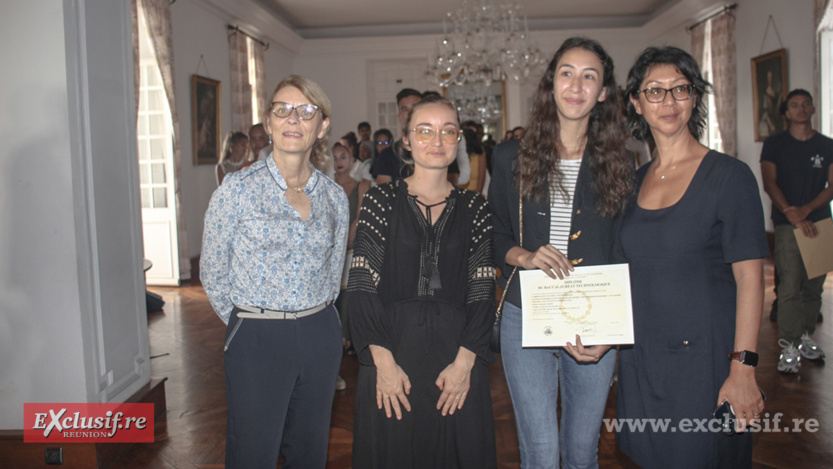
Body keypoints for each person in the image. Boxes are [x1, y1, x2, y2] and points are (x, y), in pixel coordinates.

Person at [617, 46, 768, 468]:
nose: (668, 102)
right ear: (636, 102)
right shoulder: (634, 181)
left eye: (680, 89)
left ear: (696, 97)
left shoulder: (728, 176)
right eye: (655, 91)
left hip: (704, 361)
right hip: (642, 359)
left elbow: (751, 279)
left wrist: (743, 370)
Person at [489, 37, 633, 468]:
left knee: (581, 448)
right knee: (540, 450)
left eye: (590, 76)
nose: (576, 85)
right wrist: (524, 256)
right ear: (551, 83)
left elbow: (626, 247)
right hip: (525, 312)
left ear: (603, 92)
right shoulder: (510, 156)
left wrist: (614, 330)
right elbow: (493, 232)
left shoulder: (622, 160)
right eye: (567, 73)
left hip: (595, 317)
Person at [201, 75, 348, 469]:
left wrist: (318, 323)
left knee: (309, 449)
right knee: (253, 451)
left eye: (306, 111)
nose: (293, 119)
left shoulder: (334, 197)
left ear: (323, 125)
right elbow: (213, 273)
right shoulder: (236, 190)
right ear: (268, 123)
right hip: (257, 336)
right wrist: (246, 325)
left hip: (319, 334)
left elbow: (335, 274)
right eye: (282, 110)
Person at [348, 95, 497, 468]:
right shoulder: (380, 200)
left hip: (457, 358)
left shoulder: (476, 207)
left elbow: (481, 290)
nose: (437, 141)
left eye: (448, 131)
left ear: (458, 139)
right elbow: (362, 283)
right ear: (407, 140)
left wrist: (465, 364)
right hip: (391, 353)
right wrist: (383, 365)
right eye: (425, 131)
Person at [761, 89, 833, 373]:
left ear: (813, 109)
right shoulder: (775, 144)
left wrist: (807, 210)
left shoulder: (827, 145)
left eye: (806, 104)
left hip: (819, 222)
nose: (801, 109)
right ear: (786, 113)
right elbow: (769, 182)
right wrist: (792, 212)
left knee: (814, 286)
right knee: (789, 285)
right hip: (787, 223)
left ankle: (803, 336)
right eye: (794, 105)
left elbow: (831, 186)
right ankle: (788, 345)